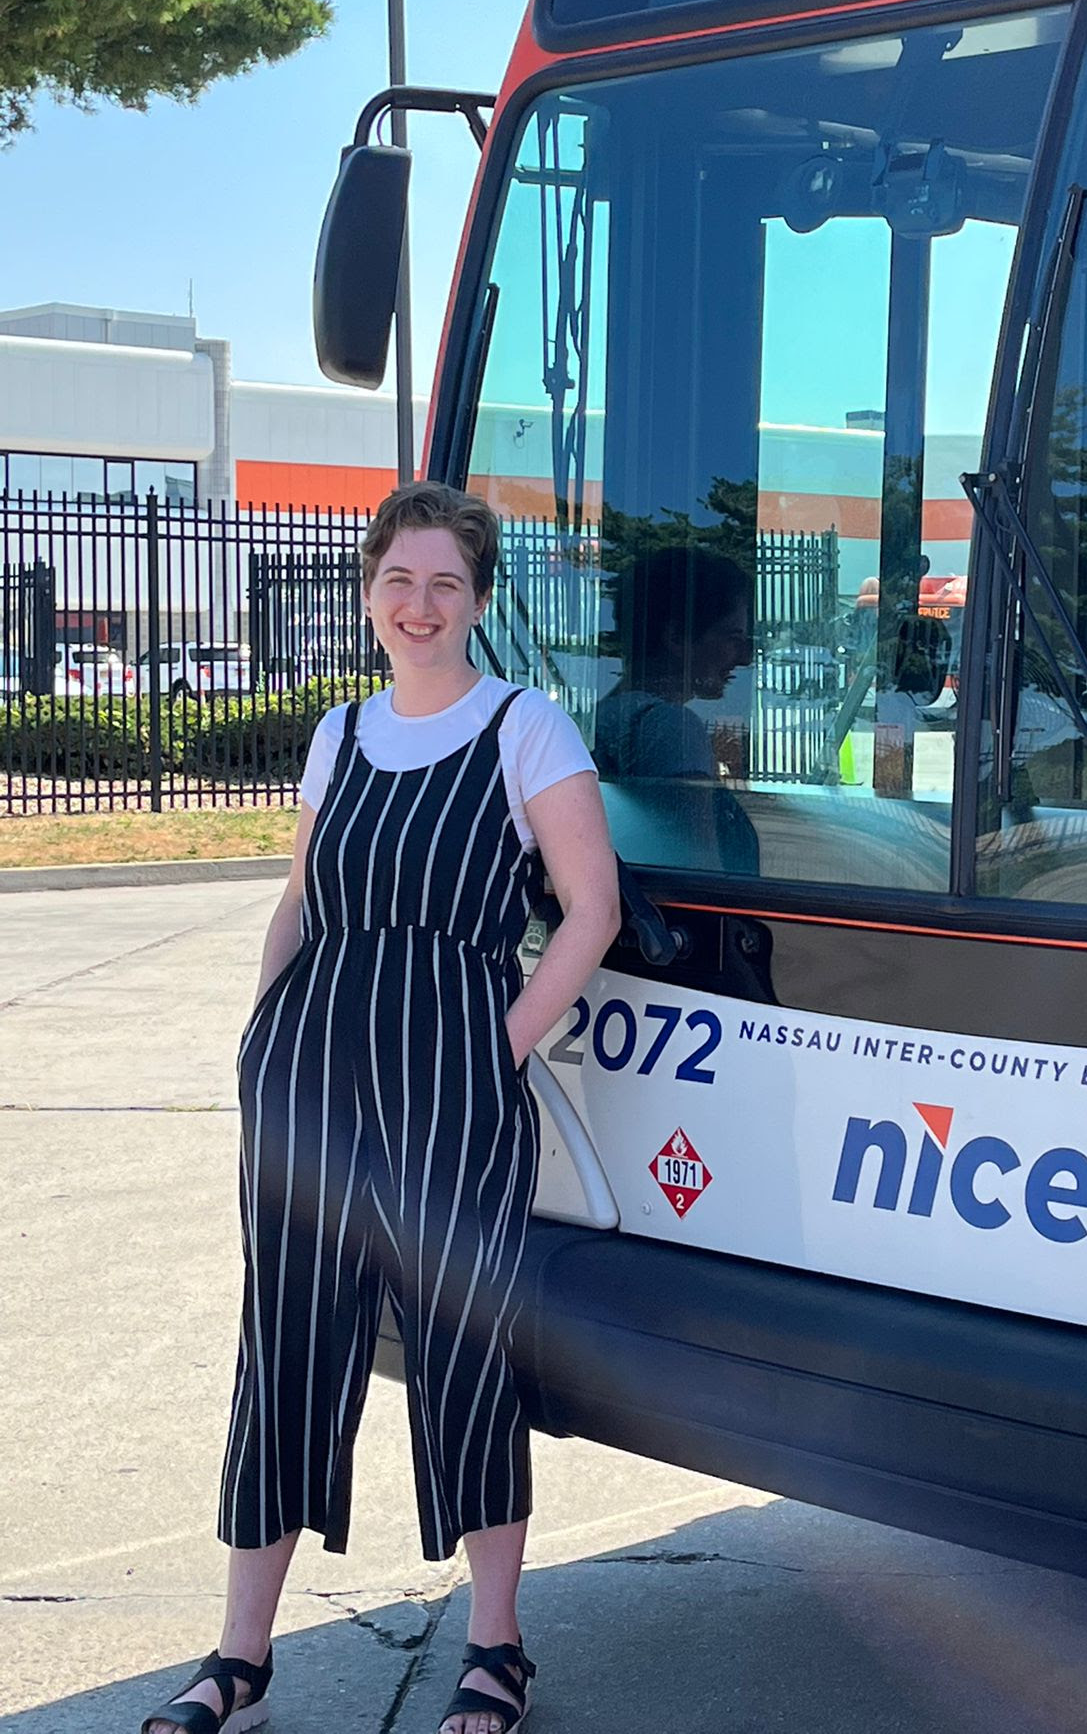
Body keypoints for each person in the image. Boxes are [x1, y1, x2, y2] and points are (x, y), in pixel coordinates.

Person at [143, 482, 620, 1734]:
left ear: (478, 599)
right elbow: (300, 902)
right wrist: (261, 1041)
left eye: (446, 583)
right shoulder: (338, 733)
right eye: (399, 579)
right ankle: (240, 1660)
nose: (420, 604)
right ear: (368, 593)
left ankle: (496, 1647)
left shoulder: (524, 727)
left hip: (451, 1080)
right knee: (286, 1343)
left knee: (466, 1346)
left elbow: (593, 910)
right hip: (307, 1076)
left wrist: (497, 1046)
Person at [592, 545, 758, 873]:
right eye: (733, 638)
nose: (745, 658)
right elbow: (700, 873)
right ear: (677, 637)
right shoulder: (672, 728)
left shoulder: (605, 717)